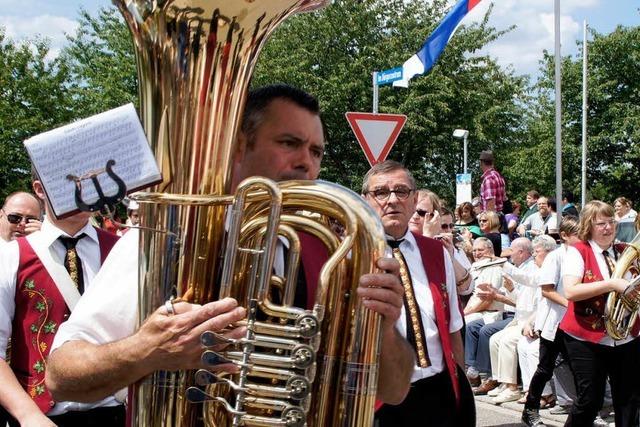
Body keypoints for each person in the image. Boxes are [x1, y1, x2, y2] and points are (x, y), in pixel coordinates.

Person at [46, 84, 413, 408]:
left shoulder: (332, 252)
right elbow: (61, 377)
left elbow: (394, 391)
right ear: (238, 146)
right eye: (289, 143)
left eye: (316, 151)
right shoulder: (167, 240)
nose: (306, 162)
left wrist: (384, 325)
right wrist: (148, 350)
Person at [0, 178, 121, 426]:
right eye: (70, 179)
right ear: (40, 188)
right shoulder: (10, 255)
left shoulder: (122, 249)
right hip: (39, 416)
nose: (82, 189)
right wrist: (27, 416)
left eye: (91, 179)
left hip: (115, 411)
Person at [363, 160, 474, 427]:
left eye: (401, 191)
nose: (392, 200)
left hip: (437, 391)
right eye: (380, 192)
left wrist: (458, 388)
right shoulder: (352, 252)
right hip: (379, 396)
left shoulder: (436, 252)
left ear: (414, 200)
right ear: (365, 200)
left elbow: (453, 327)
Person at [559, 201, 640, 426]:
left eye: (611, 222)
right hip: (586, 337)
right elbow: (571, 291)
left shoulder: (626, 251)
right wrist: (613, 284)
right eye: (600, 223)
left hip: (626, 335)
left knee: (629, 400)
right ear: (588, 226)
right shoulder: (579, 252)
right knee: (590, 401)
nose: (608, 227)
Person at [521, 217, 580, 426]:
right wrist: (571, 305)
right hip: (555, 323)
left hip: (575, 324)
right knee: (545, 368)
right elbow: (547, 291)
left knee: (581, 370)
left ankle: (585, 412)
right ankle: (530, 409)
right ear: (564, 236)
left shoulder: (583, 255)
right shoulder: (555, 257)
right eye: (577, 234)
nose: (582, 238)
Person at [487, 236, 555, 405]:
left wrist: (503, 264)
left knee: (517, 344)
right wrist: (510, 289)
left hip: (539, 323)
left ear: (549, 253)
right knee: (500, 340)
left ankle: (533, 392)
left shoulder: (545, 269)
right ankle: (520, 387)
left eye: (537, 252)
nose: (534, 255)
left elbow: (538, 299)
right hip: (527, 321)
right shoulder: (537, 269)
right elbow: (522, 298)